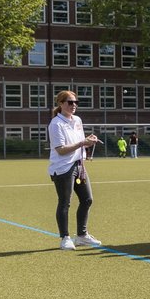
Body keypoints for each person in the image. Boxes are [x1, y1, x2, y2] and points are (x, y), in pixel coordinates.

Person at [48, 90, 101, 250]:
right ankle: (65, 238)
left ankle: (82, 236)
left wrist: (88, 141)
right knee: (65, 203)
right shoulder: (56, 124)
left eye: (76, 102)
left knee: (87, 199)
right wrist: (82, 143)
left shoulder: (77, 120)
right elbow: (61, 149)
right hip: (63, 168)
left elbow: (80, 141)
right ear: (61, 103)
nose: (74, 105)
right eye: (70, 102)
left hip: (79, 165)